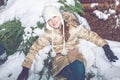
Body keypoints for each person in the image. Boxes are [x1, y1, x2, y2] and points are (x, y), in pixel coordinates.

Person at [17, 5, 118, 80]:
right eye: (49, 20)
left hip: (75, 56)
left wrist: (105, 46)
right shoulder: (49, 34)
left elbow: (90, 35)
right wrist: (25, 68)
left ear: (59, 16)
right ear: (47, 22)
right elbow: (34, 48)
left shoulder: (73, 27)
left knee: (79, 68)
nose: (53, 21)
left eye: (54, 17)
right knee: (75, 72)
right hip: (60, 61)